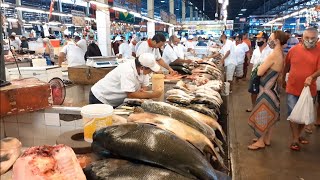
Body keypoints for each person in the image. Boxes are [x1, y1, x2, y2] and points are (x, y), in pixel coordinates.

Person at [248, 30, 289, 150]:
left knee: (262, 114)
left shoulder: (273, 54)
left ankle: (260, 141)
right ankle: (267, 139)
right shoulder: (280, 53)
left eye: (271, 38)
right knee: (270, 113)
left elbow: (260, 71)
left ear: (276, 41)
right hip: (273, 88)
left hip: (266, 89)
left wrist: (261, 66)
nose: (269, 40)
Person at [282, 27, 320, 151]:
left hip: (309, 89)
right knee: (293, 114)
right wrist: (282, 79)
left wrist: (312, 77)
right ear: (302, 38)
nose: (310, 40)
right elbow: (286, 65)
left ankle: (298, 135)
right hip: (292, 87)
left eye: (312, 38)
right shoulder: (294, 50)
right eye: (307, 38)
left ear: (317, 38)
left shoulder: (319, 51)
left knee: (305, 114)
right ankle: (295, 138)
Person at [89, 53, 162, 107]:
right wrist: (153, 94)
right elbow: (131, 94)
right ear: (142, 68)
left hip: (115, 100)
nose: (151, 72)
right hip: (100, 98)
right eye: (150, 70)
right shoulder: (128, 70)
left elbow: (144, 85)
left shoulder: (143, 71)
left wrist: (143, 91)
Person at [246, 32, 272, 112]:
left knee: (265, 92)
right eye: (257, 39)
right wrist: (248, 74)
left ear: (264, 39)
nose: (257, 40)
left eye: (259, 39)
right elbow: (252, 62)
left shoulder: (270, 51)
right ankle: (253, 106)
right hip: (255, 74)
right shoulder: (256, 50)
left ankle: (265, 108)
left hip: (266, 75)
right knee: (253, 91)